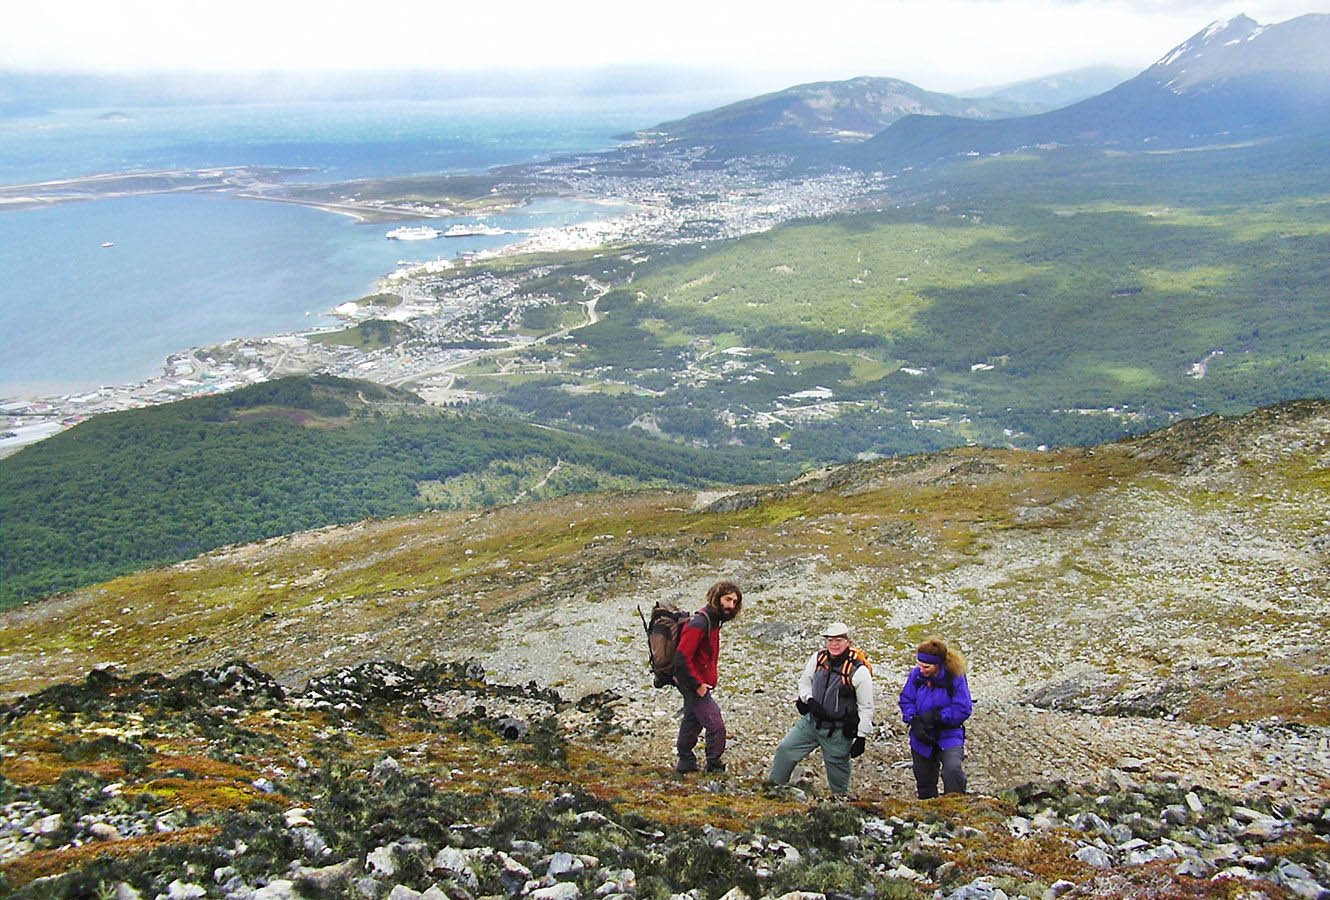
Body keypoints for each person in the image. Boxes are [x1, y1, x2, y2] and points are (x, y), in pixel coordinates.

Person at [766, 622, 875, 795]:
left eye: (839, 640)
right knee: (785, 751)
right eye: (830, 640)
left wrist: (861, 737)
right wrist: (809, 700)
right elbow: (804, 682)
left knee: (838, 777)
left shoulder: (859, 671)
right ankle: (772, 791)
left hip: (838, 732)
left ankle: (839, 803)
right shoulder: (818, 659)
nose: (834, 644)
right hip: (811, 722)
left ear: (848, 642)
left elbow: (866, 706)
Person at [673, 580, 742, 773]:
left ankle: (685, 762)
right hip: (693, 683)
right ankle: (713, 765)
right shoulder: (700, 623)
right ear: (716, 598)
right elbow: (681, 657)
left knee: (692, 720)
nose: (731, 605)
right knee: (716, 725)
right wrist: (697, 684)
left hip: (696, 682)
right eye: (727, 599)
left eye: (735, 602)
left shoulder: (713, 621)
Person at [898, 636, 972, 799]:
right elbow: (906, 699)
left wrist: (937, 717)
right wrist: (914, 719)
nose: (921, 669)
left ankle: (956, 804)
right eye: (920, 665)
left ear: (938, 664)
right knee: (924, 780)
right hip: (921, 736)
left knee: (952, 770)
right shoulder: (916, 675)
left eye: (926, 666)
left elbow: (963, 708)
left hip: (950, 735)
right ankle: (928, 809)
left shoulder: (955, 676)